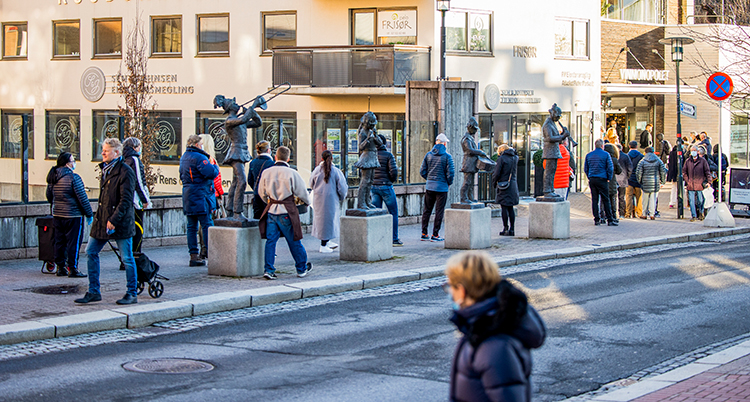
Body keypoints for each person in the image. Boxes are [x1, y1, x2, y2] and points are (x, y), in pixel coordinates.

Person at [445, 251, 546, 402]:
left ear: (462, 290)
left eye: (450, 286)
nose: (449, 292)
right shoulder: (483, 324)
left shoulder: (493, 345)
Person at [75, 138, 138, 305]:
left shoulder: (125, 171)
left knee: (127, 258)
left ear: (116, 153)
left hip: (120, 221)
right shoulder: (105, 170)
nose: (102, 153)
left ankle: (132, 293)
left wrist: (114, 219)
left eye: (106, 150)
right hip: (103, 220)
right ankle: (93, 291)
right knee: (91, 251)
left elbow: (125, 200)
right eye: (103, 149)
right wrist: (102, 219)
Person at [257, 146, 312, 280]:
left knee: (271, 241)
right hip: (287, 210)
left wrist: (269, 201)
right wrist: (306, 202)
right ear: (288, 158)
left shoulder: (266, 172)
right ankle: (301, 268)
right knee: (294, 240)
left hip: (271, 209)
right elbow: (302, 192)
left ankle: (268, 269)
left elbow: (261, 192)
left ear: (275, 157)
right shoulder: (292, 173)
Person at [213, 95, 262, 221]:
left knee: (235, 182)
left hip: (242, 151)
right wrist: (254, 105)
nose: (236, 103)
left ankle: (230, 211)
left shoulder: (239, 120)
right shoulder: (230, 121)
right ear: (230, 107)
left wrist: (252, 111)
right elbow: (244, 119)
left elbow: (258, 123)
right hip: (236, 151)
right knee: (242, 181)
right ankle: (237, 212)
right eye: (233, 102)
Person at [45, 152, 93, 278]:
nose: (74, 162)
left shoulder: (53, 178)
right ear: (67, 163)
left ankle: (60, 267)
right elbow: (82, 198)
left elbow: (49, 196)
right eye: (73, 160)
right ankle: (73, 268)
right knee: (74, 242)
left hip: (57, 214)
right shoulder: (73, 178)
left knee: (59, 241)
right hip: (73, 215)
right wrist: (89, 213)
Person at [179, 134, 219, 266]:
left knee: (191, 226)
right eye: (201, 144)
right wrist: (215, 167)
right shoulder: (200, 157)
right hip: (202, 195)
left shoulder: (184, 157)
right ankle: (211, 253)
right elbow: (210, 173)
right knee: (207, 224)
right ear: (197, 144)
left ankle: (193, 255)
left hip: (188, 195)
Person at [310, 150, 348, 253]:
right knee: (330, 221)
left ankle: (326, 241)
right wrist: (342, 197)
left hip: (318, 199)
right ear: (331, 158)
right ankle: (323, 244)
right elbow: (342, 187)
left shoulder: (317, 170)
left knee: (322, 221)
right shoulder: (335, 171)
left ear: (321, 158)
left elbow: (311, 183)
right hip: (331, 199)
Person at [420, 133, 455, 242]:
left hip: (430, 186)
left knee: (427, 210)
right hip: (442, 187)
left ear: (436, 142)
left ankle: (424, 233)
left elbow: (422, 171)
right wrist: (448, 182)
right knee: (439, 211)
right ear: (444, 143)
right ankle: (435, 234)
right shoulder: (447, 157)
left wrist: (429, 179)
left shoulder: (428, 155)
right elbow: (451, 173)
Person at [122, 137, 151, 258]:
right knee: (138, 228)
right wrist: (145, 199)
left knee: (129, 228)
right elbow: (138, 181)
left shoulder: (124, 159)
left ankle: (127, 255)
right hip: (135, 199)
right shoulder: (134, 159)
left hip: (127, 197)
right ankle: (135, 255)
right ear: (135, 147)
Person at [371, 134, 402, 246]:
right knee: (393, 212)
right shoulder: (388, 155)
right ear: (384, 143)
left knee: (376, 213)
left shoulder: (371, 155)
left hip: (374, 187)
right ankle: (394, 239)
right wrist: (390, 181)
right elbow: (394, 172)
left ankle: (376, 237)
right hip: (386, 186)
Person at [198, 134, 224, 260]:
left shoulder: (198, 159)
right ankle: (208, 248)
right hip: (211, 195)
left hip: (200, 195)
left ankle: (203, 248)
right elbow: (216, 180)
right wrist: (220, 194)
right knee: (209, 223)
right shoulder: (211, 160)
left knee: (199, 225)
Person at [353, 111, 382, 210]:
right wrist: (368, 139)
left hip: (373, 156)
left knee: (370, 181)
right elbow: (360, 147)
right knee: (365, 181)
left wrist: (376, 136)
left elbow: (380, 143)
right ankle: (361, 203)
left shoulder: (372, 131)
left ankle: (367, 201)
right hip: (366, 156)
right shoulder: (363, 133)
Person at [540, 104, 570, 200]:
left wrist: (562, 135)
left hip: (553, 151)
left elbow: (556, 138)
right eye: (557, 116)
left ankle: (551, 190)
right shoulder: (547, 124)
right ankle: (547, 191)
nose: (558, 118)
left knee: (552, 171)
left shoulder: (552, 123)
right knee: (549, 171)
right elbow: (550, 138)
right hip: (550, 151)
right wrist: (563, 136)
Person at [584, 139, 616, 226]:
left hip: (593, 178)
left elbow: (586, 168)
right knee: (606, 199)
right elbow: (610, 167)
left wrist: (589, 176)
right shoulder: (606, 155)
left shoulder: (589, 155)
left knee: (595, 199)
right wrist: (608, 177)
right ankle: (610, 219)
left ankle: (596, 219)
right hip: (602, 178)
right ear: (602, 146)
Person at [491, 144, 519, 236]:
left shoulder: (501, 159)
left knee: (504, 207)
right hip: (513, 184)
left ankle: (505, 228)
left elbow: (497, 173)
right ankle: (512, 229)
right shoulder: (515, 158)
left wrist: (494, 183)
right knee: (510, 208)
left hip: (503, 185)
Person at [459, 117, 487, 203]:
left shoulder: (470, 138)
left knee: (471, 183)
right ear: (470, 128)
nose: (475, 131)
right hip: (468, 163)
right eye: (474, 129)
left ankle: (470, 197)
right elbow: (470, 150)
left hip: (472, 163)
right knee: (467, 182)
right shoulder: (466, 139)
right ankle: (463, 198)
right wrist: (480, 152)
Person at [636, 147, 667, 220]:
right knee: (653, 199)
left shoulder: (642, 161)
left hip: (645, 182)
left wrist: (640, 181)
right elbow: (663, 171)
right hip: (655, 182)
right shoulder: (658, 160)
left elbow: (638, 172)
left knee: (645, 199)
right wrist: (662, 181)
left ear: (645, 152)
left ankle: (644, 214)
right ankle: (652, 214)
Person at [683, 145, 712, 221]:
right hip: (691, 184)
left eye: (694, 150)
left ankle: (701, 213)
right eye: (692, 151)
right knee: (692, 201)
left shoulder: (702, 161)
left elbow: (707, 171)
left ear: (697, 152)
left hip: (700, 184)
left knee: (701, 200)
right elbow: (684, 172)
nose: (693, 152)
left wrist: (709, 182)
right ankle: (694, 216)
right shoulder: (688, 161)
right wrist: (687, 180)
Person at [247, 140, 275, 219]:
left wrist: (257, 189)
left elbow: (250, 180)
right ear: (268, 150)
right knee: (268, 220)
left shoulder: (253, 162)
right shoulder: (271, 163)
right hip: (269, 197)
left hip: (257, 195)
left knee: (257, 219)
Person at [600, 143, 622, 223]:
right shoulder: (614, 160)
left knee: (602, 200)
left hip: (603, 181)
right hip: (612, 181)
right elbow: (619, 171)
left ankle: (602, 216)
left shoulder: (602, 158)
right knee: (612, 199)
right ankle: (613, 216)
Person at [625, 141, 644, 219]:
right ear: (637, 146)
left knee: (629, 196)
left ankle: (628, 213)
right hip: (638, 179)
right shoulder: (641, 156)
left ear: (629, 146)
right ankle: (639, 213)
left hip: (629, 179)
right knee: (639, 197)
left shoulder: (627, 156)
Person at [615, 143, 632, 219]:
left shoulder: (613, 156)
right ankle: (621, 213)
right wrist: (627, 177)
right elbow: (630, 168)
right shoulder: (625, 156)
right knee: (621, 197)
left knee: (614, 197)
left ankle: (614, 212)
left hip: (614, 179)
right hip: (623, 179)